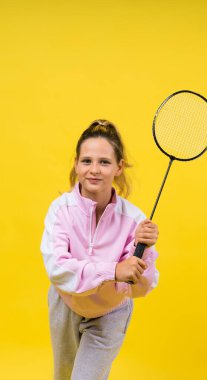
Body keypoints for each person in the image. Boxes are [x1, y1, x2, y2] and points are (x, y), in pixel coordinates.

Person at [40, 119, 159, 380]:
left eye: (104, 162)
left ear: (119, 167)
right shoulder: (60, 210)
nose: (94, 170)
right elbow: (58, 269)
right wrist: (113, 270)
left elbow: (140, 288)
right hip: (65, 304)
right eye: (87, 161)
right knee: (64, 376)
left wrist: (145, 251)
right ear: (76, 163)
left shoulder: (135, 220)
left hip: (110, 312)